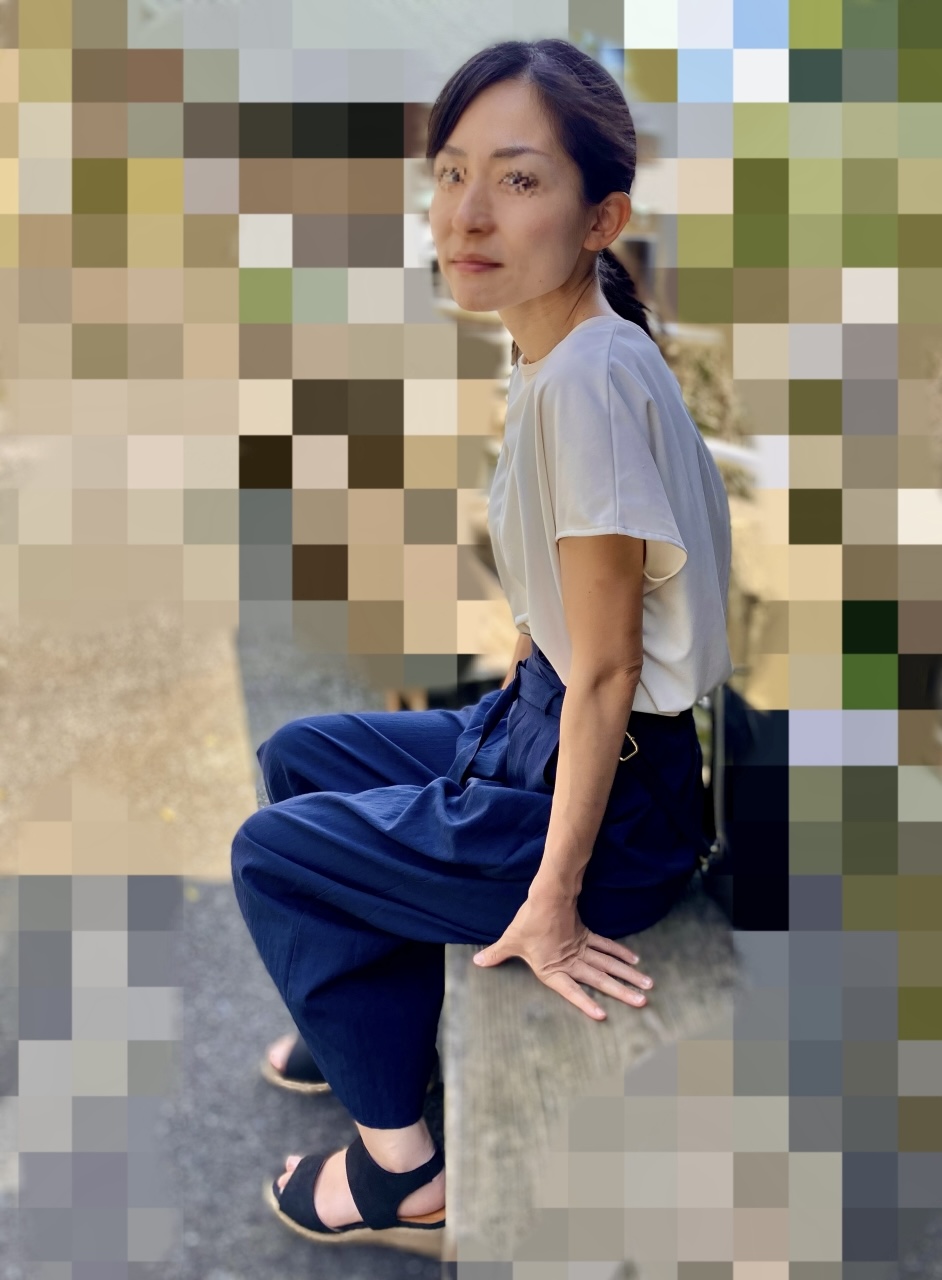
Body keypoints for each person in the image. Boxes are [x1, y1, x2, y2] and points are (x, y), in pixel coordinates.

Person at [230, 36, 734, 1256]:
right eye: (453, 172)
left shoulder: (585, 385)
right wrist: (526, 644)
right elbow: (583, 595)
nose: (467, 212)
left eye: (517, 179)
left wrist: (554, 902)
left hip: (611, 805)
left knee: (273, 856)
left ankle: (403, 1170)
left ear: (601, 215)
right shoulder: (571, 342)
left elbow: (612, 669)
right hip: (548, 726)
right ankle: (370, 1031)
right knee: (303, 755)